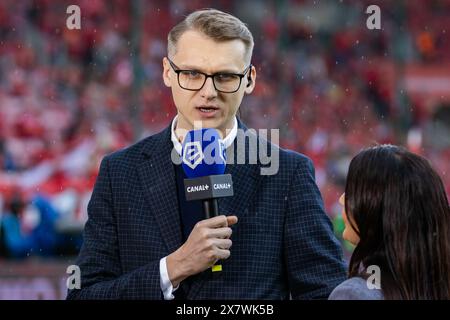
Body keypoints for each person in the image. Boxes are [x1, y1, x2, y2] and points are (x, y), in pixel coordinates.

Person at [67, 8, 346, 300]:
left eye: (225, 76)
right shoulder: (120, 172)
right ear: (167, 72)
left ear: (249, 79)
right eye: (192, 74)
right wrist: (172, 269)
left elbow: (324, 292)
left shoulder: (287, 173)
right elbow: (83, 295)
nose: (209, 91)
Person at [329, 144, 450, 300]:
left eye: (353, 191)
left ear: (378, 208)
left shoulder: (354, 294)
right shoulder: (435, 285)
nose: (341, 199)